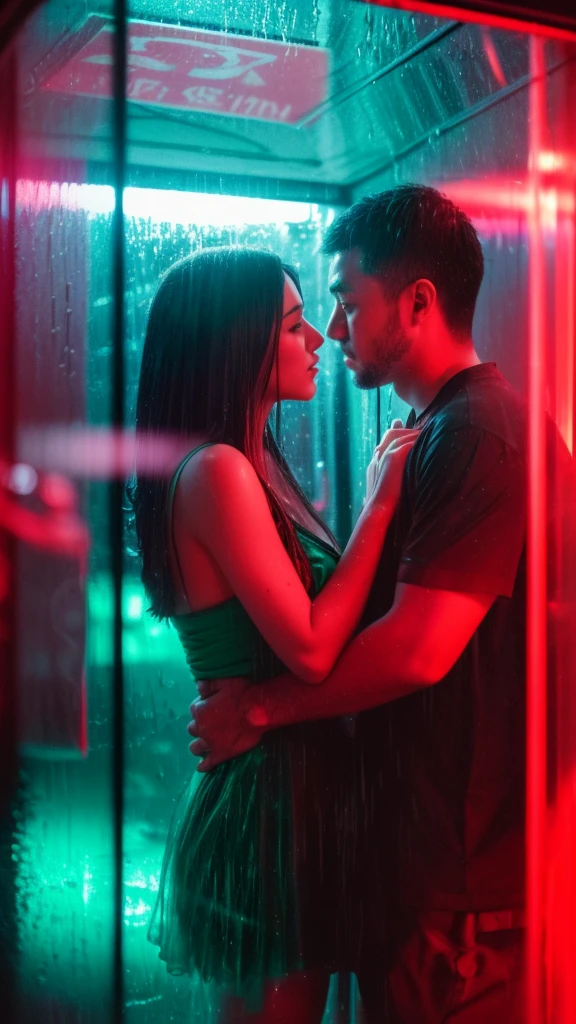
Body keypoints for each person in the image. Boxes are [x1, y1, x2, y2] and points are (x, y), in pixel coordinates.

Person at [187, 186, 567, 1022]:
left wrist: (257, 709)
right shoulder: (436, 430)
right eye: (312, 316)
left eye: (347, 303)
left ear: (419, 302)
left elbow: (417, 649)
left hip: (458, 880)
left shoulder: (477, 432)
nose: (333, 330)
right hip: (420, 867)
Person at [129, 246, 417, 1023]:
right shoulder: (219, 469)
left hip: (291, 790)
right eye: (294, 327)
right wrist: (380, 506)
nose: (319, 340)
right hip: (265, 804)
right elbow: (314, 649)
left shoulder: (252, 465)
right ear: (238, 344)